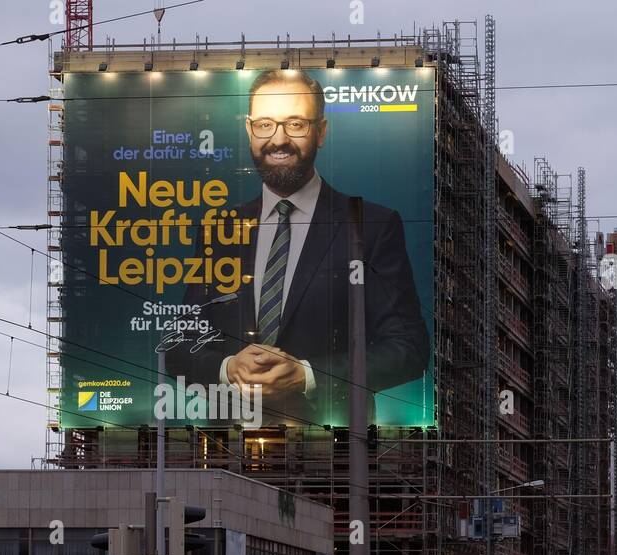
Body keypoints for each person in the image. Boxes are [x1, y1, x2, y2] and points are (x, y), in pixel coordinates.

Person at [167, 68, 429, 426]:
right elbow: (179, 347)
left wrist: (307, 374)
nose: (278, 140)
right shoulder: (219, 229)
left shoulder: (372, 227)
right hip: (227, 452)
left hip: (333, 454)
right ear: (248, 129)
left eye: (295, 124)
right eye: (265, 125)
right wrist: (228, 368)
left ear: (320, 132)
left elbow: (409, 350)